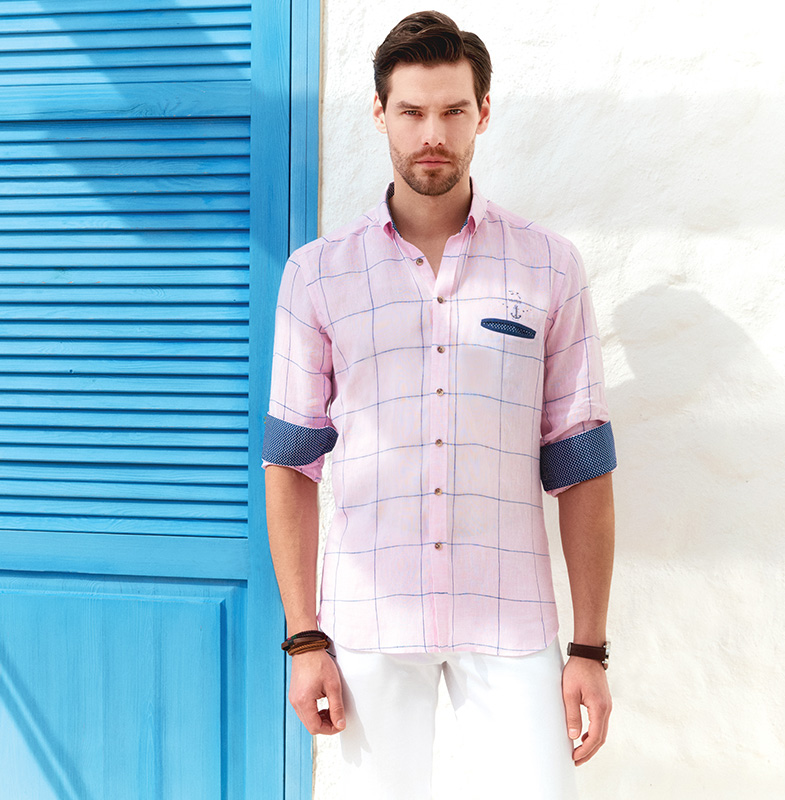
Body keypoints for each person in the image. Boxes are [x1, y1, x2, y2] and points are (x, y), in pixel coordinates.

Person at [262, 10, 616, 797]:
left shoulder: (549, 267)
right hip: (369, 622)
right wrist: (304, 639)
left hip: (510, 616)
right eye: (412, 110)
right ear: (379, 112)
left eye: (454, 110)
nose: (433, 134)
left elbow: (582, 465)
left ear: (482, 113)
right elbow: (290, 465)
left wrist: (590, 649)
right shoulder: (317, 275)